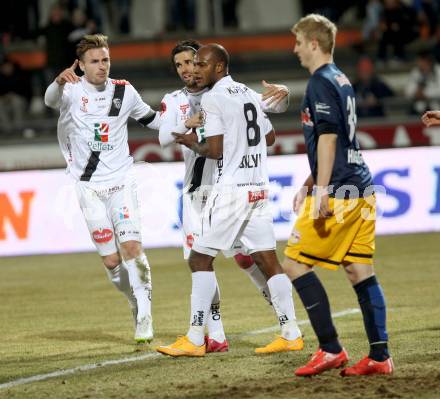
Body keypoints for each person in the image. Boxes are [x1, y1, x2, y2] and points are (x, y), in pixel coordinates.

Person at [156, 44, 303, 357]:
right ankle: (291, 332)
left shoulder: (212, 97)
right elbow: (270, 137)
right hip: (259, 188)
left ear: (219, 67)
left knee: (199, 259)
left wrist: (189, 142)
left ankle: (196, 338)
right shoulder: (247, 93)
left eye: (202, 65)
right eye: (192, 65)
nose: (196, 70)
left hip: (232, 191)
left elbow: (215, 151)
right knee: (267, 261)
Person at [282, 14, 393, 376]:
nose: (295, 49)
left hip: (342, 191)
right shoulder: (341, 79)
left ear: (314, 43)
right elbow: (339, 139)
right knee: (359, 271)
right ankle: (380, 357)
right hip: (361, 187)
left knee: (295, 263)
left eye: (299, 42)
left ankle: (331, 349)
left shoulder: (319, 82)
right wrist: (310, 182)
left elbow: (328, 138)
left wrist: (324, 189)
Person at [44, 34, 160, 344]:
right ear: (80, 65)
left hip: (121, 182)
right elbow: (49, 101)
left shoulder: (124, 91)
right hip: (88, 187)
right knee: (111, 262)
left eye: (105, 59)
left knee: (132, 248)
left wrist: (186, 122)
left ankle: (145, 316)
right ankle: (134, 298)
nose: (101, 66)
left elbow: (152, 120)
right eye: (94, 61)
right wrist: (57, 81)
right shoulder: (69, 91)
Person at [405, 50, 440, 115]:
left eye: (420, 61)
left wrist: (426, 94)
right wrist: (416, 93)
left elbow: (438, 91)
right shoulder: (415, 72)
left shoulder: (438, 70)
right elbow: (408, 92)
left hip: (436, 107)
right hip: (419, 108)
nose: (419, 63)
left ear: (428, 61)